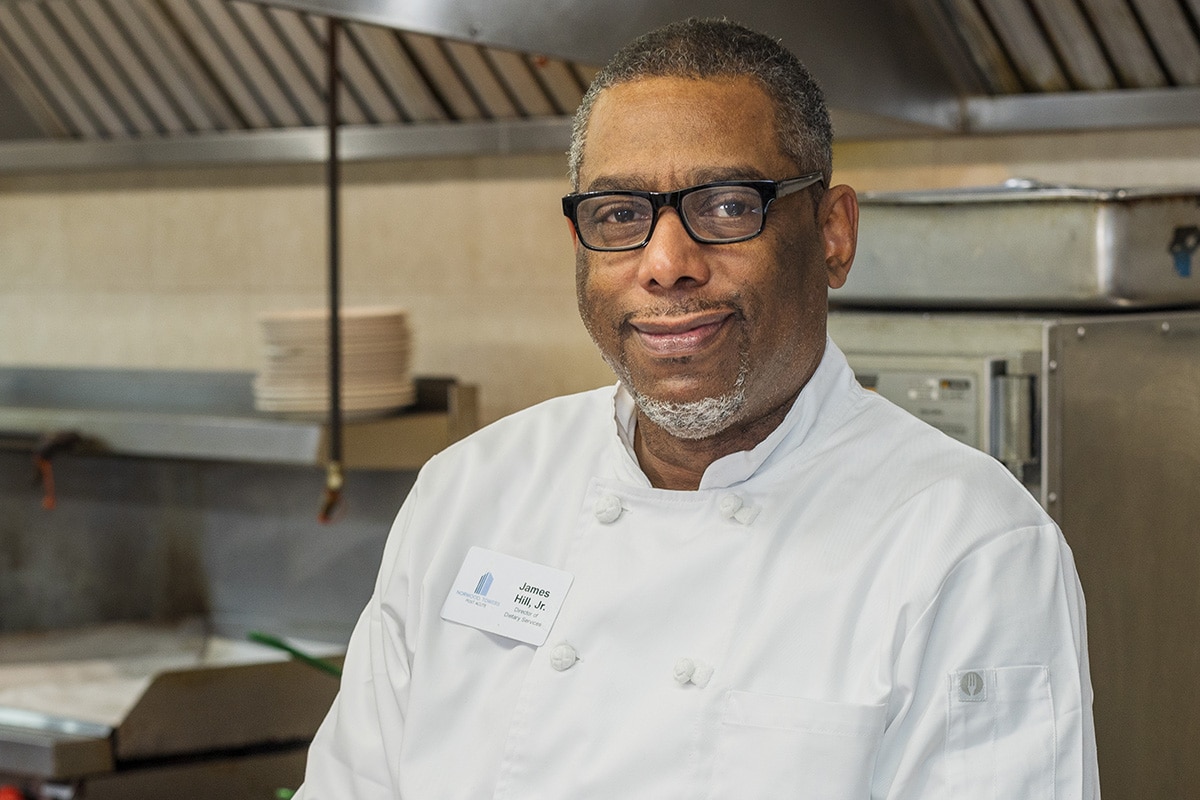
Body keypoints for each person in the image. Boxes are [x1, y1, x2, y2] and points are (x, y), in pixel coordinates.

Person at [295, 18, 1098, 799]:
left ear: (832, 234)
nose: (666, 264)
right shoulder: (468, 492)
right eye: (619, 214)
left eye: (725, 206)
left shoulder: (970, 548)